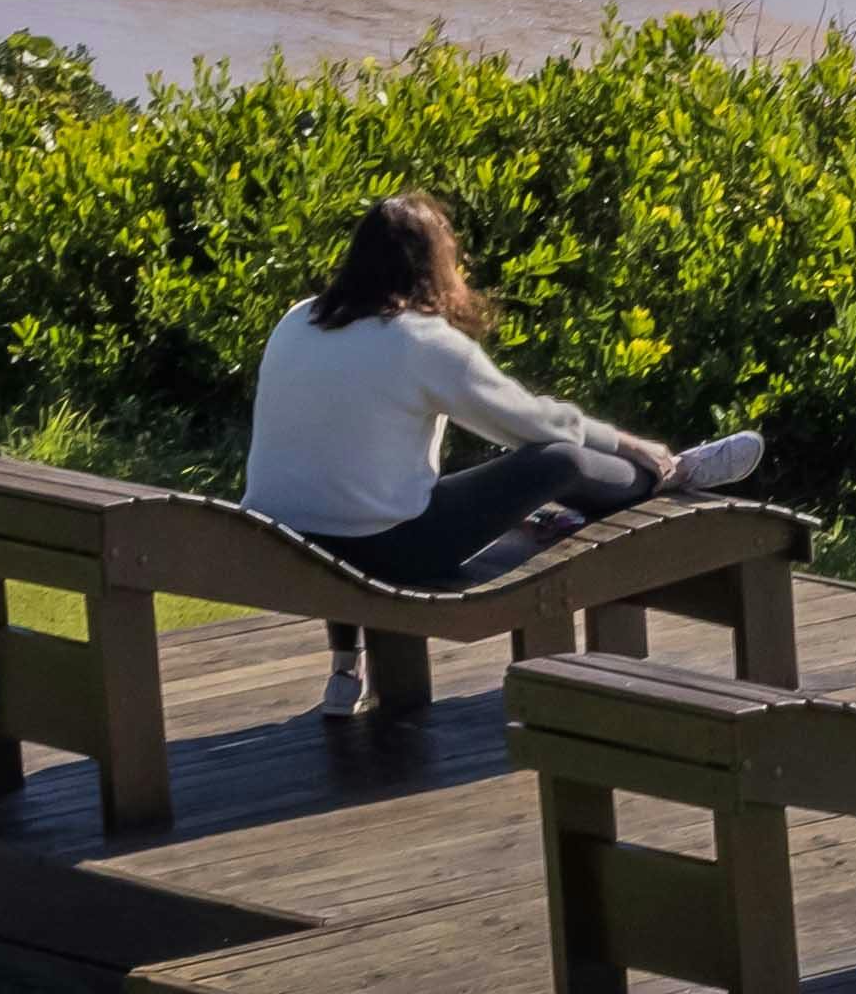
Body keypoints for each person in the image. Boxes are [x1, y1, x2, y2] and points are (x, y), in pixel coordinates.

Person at [243, 194, 767, 711]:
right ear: (433, 264)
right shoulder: (419, 341)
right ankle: (668, 472)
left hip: (283, 539)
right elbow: (533, 425)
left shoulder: (297, 321)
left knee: (341, 487)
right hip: (387, 549)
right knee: (562, 460)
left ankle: (345, 666)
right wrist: (632, 443)